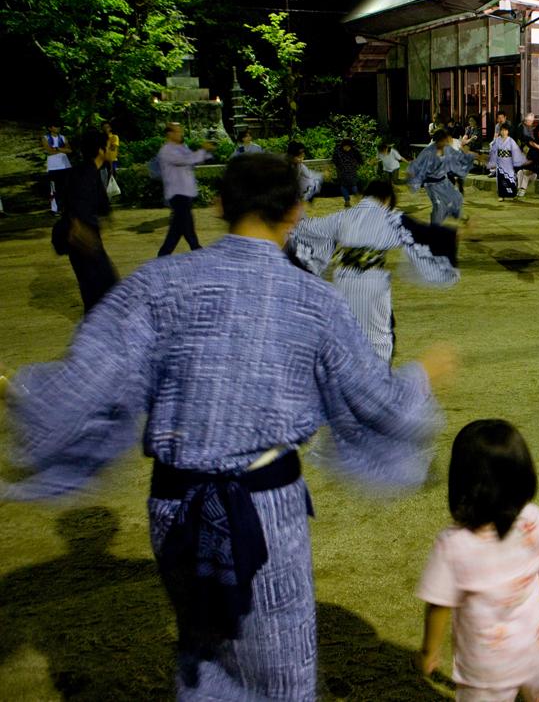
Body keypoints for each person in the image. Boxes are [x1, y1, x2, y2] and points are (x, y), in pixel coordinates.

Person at [3, 153, 451, 699]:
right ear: (296, 210)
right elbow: (373, 399)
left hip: (175, 509)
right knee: (279, 669)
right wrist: (421, 378)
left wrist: (15, 389)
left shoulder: (159, 282)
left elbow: (88, 380)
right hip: (261, 511)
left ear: (218, 205)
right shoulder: (312, 299)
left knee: (204, 656)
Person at [416, 419, 539, 700]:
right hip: (537, 644)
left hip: (486, 666)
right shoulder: (535, 520)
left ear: (461, 484)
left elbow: (439, 606)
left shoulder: (453, 545)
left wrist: (430, 651)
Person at [290, 179, 459, 361]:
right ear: (387, 198)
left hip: (343, 279)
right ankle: (377, 378)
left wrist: (290, 219)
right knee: (378, 336)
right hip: (372, 281)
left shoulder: (343, 216)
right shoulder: (391, 218)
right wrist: (456, 234)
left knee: (347, 330)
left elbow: (307, 228)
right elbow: (426, 233)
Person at [62, 129, 119, 311]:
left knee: (95, 292)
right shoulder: (86, 175)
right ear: (100, 151)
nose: (113, 151)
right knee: (107, 287)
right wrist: (79, 229)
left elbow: (101, 206)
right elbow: (77, 207)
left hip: (86, 239)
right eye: (110, 147)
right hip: (84, 240)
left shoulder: (87, 171)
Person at [156, 122, 215, 257]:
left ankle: (163, 255)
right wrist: (202, 149)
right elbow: (186, 160)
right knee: (187, 228)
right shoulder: (166, 150)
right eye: (177, 131)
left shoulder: (182, 147)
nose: (180, 134)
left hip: (185, 192)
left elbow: (194, 159)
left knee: (178, 229)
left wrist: (207, 151)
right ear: (169, 134)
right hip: (177, 193)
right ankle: (198, 252)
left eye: (180, 131)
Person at [408, 129, 477, 224]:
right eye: (444, 140)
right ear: (439, 140)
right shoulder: (428, 151)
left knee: (456, 196)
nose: (446, 142)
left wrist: (477, 156)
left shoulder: (447, 149)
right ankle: (434, 228)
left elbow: (460, 156)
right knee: (439, 205)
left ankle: (457, 214)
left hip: (443, 180)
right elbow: (417, 165)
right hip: (431, 183)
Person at [487, 122, 527, 200]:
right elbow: (493, 149)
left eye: (505, 130)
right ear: (500, 131)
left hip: (509, 163)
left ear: (508, 131)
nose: (503, 132)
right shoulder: (497, 140)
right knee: (501, 180)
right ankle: (501, 195)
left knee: (510, 179)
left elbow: (516, 151)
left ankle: (511, 195)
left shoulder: (511, 140)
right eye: (502, 130)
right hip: (500, 163)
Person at [42, 123, 72, 213]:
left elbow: (69, 150)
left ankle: (67, 208)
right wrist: (62, 150)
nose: (58, 128)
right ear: (50, 128)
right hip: (53, 167)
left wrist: (56, 149)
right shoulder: (45, 138)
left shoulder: (63, 137)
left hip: (65, 166)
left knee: (67, 188)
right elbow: (48, 151)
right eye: (55, 126)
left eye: (58, 126)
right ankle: (55, 209)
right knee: (54, 189)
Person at [332, 137, 364, 208]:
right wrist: (338, 167)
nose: (347, 148)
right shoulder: (338, 151)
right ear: (343, 145)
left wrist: (358, 164)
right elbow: (334, 161)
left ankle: (356, 195)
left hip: (352, 171)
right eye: (345, 146)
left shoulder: (354, 151)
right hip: (342, 171)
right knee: (344, 186)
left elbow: (360, 160)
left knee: (353, 185)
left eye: (348, 146)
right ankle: (347, 201)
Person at [100, 120, 120, 191]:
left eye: (107, 127)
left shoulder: (114, 137)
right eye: (104, 127)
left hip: (112, 160)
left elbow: (113, 148)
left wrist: (106, 146)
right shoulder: (100, 137)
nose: (106, 129)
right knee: (103, 179)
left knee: (112, 177)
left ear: (110, 128)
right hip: (102, 161)